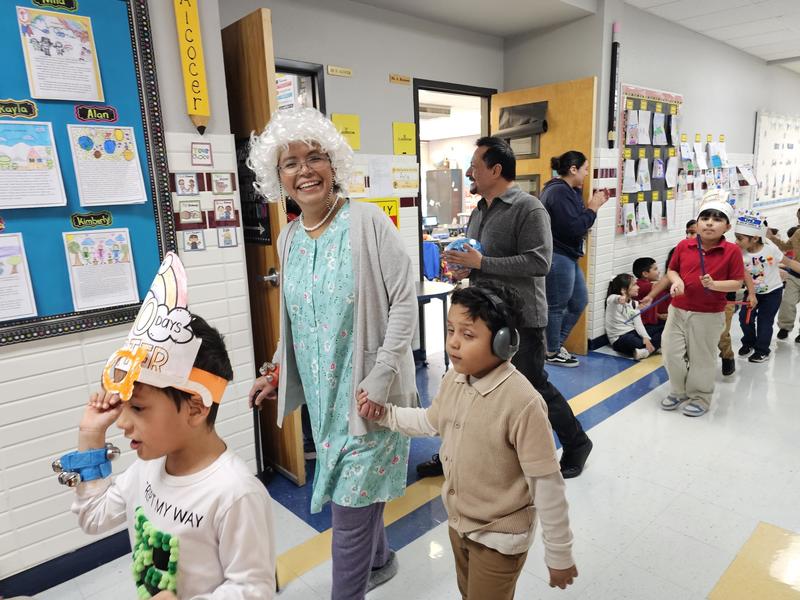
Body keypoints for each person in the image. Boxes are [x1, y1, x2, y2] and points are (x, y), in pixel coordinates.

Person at [247, 107, 416, 599]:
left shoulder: (368, 223)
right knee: (356, 493)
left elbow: (404, 301)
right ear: (278, 178)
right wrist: (276, 370)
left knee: (348, 510)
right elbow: (296, 320)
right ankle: (379, 558)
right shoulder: (290, 238)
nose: (304, 171)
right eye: (290, 163)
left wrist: (381, 377)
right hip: (325, 403)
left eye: (315, 157)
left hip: (371, 397)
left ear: (333, 164)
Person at [67, 252, 275, 599]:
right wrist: (90, 436)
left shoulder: (235, 493)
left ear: (195, 408)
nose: (122, 422)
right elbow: (94, 517)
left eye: (137, 407)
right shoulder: (145, 470)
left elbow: (254, 589)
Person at [358, 283, 577, 599]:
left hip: (501, 536)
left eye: (468, 335)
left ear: (503, 342)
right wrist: (385, 415)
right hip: (460, 524)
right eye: (450, 331)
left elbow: (546, 483)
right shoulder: (454, 380)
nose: (453, 343)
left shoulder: (521, 401)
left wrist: (559, 553)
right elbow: (430, 422)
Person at [440, 136, 593, 479]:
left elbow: (540, 262)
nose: (468, 173)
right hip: (483, 317)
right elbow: (481, 258)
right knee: (468, 383)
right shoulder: (479, 210)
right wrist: (468, 266)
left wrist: (484, 261)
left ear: (496, 169)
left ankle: (577, 442)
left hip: (521, 318)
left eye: (475, 167)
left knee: (532, 386)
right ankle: (453, 449)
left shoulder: (529, 208)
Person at [660, 191, 744, 417]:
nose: (709, 223)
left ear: (727, 227)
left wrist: (715, 285)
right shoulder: (684, 245)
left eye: (717, 219)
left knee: (702, 358)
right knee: (670, 352)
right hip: (677, 310)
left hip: (708, 315)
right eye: (705, 218)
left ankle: (700, 396)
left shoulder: (732, 251)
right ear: (697, 223)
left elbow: (737, 282)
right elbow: (672, 270)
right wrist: (676, 282)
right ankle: (678, 391)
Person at [540, 150, 609, 367]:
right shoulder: (558, 192)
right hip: (558, 256)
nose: (587, 174)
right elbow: (575, 226)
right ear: (573, 169)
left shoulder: (568, 191)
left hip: (568, 255)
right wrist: (594, 207)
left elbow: (576, 221)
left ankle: (554, 345)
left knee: (579, 300)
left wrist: (586, 203)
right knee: (557, 305)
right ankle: (551, 351)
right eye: (585, 169)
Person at [733, 210, 800, 362]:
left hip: (772, 293)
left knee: (765, 321)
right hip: (751, 292)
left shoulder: (770, 248)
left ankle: (762, 350)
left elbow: (789, 262)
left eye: (740, 238)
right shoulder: (738, 252)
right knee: (745, 319)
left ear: (755, 238)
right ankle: (748, 343)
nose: (736, 241)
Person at [605, 273, 658, 359]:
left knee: (661, 329)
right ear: (623, 290)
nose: (638, 287)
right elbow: (613, 299)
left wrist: (646, 338)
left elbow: (638, 324)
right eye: (634, 285)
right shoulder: (612, 300)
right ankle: (651, 348)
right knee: (634, 342)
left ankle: (645, 351)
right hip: (620, 338)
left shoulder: (634, 303)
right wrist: (619, 298)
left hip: (633, 332)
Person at [767, 209, 800, 341]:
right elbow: (785, 247)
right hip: (795, 275)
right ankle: (785, 327)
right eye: (798, 218)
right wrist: (771, 237)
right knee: (787, 302)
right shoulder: (797, 233)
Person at [632, 256, 669, 338]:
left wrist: (659, 315)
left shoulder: (648, 284)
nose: (659, 272)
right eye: (655, 269)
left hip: (652, 323)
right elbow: (663, 284)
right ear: (645, 273)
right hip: (644, 326)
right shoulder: (641, 285)